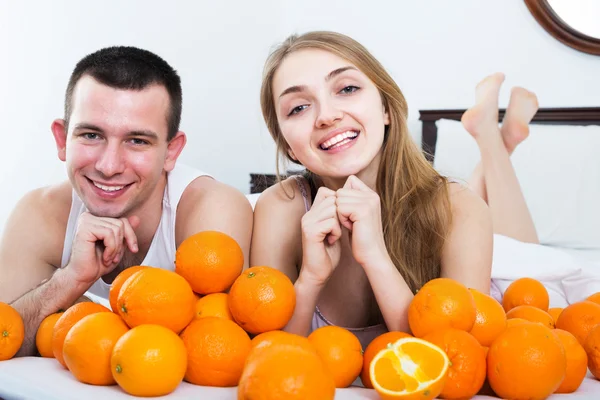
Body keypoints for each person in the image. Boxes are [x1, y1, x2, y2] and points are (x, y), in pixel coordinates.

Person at [0, 46, 253, 357]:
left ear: (171, 152)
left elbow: (210, 356)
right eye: (92, 135)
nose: (109, 166)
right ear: (62, 140)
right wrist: (69, 281)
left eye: (137, 141)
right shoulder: (39, 214)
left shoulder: (212, 209)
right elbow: (5, 340)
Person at [251, 31, 493, 349]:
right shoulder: (279, 208)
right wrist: (310, 279)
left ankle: (492, 136)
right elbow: (270, 356)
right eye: (298, 108)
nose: (327, 116)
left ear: (386, 109)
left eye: (347, 88)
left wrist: (376, 258)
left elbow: (454, 362)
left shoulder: (460, 209)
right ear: (288, 147)